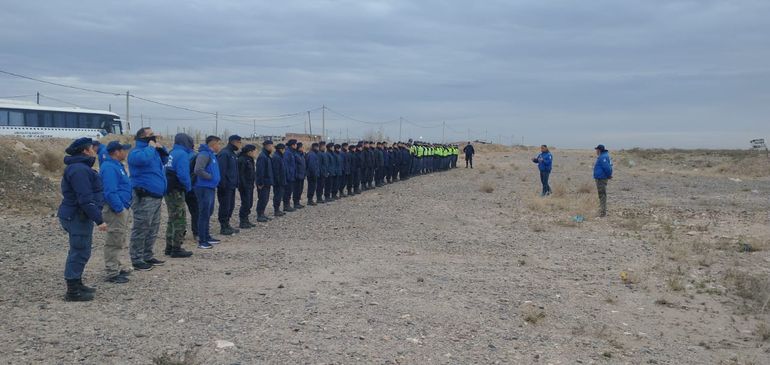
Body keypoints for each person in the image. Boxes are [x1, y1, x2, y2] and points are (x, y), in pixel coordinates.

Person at [59, 137, 108, 301]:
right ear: (85, 151)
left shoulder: (80, 168)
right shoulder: (79, 170)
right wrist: (99, 220)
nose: (94, 151)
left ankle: (77, 283)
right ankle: (72, 291)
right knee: (79, 251)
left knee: (80, 250)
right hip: (77, 216)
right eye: (92, 148)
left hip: (79, 215)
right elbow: (85, 199)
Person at [128, 127, 168, 271]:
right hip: (144, 196)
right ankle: (136, 258)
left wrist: (161, 149)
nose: (154, 136)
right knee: (141, 227)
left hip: (156, 196)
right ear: (142, 137)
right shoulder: (136, 152)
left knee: (153, 227)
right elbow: (142, 160)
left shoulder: (153, 151)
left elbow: (164, 160)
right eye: (150, 135)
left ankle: (147, 255)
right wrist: (151, 148)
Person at [100, 141, 133, 284]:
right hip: (115, 210)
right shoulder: (109, 168)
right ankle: (112, 272)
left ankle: (116, 266)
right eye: (124, 150)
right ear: (117, 152)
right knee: (114, 239)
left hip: (121, 207)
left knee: (119, 238)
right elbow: (110, 191)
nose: (126, 153)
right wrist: (119, 208)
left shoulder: (116, 166)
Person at [164, 133, 195, 258]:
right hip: (177, 190)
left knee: (172, 218)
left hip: (168, 189)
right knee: (180, 219)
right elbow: (183, 174)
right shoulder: (182, 154)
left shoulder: (171, 152)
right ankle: (176, 248)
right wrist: (188, 187)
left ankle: (169, 246)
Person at [193, 136, 222, 249]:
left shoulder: (211, 155)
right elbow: (198, 169)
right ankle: (202, 240)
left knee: (208, 212)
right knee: (204, 213)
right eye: (218, 144)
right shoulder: (204, 154)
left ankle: (207, 236)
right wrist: (210, 177)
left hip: (210, 187)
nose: (219, 146)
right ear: (213, 144)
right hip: (203, 187)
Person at [217, 135, 241, 235]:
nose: (240, 144)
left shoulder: (232, 154)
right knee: (225, 206)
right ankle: (223, 227)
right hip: (225, 186)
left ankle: (227, 224)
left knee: (230, 206)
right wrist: (222, 185)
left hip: (231, 186)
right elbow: (222, 171)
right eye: (239, 142)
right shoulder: (224, 153)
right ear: (233, 142)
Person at [237, 144, 258, 229]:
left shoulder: (250, 159)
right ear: (250, 152)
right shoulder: (242, 159)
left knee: (249, 203)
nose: (255, 153)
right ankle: (242, 221)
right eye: (254, 151)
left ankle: (246, 220)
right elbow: (241, 174)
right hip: (244, 186)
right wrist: (244, 185)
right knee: (245, 203)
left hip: (250, 185)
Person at [255, 140, 274, 222]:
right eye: (270, 146)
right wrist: (260, 183)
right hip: (263, 182)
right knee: (262, 198)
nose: (272, 147)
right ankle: (259, 215)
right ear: (266, 146)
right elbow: (260, 171)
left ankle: (262, 213)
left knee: (265, 198)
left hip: (267, 181)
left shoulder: (267, 156)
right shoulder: (262, 157)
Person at [593, 144, 613, 217]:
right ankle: (602, 210)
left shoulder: (603, 157)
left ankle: (602, 212)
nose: (596, 151)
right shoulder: (604, 156)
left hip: (601, 179)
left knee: (602, 195)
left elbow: (607, 168)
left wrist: (609, 175)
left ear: (599, 150)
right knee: (601, 194)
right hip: (601, 178)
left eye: (597, 150)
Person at [272, 143, 288, 216]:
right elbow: (276, 171)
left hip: (281, 180)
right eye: (284, 149)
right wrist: (278, 181)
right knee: (277, 195)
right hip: (278, 181)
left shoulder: (280, 156)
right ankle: (276, 210)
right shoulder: (276, 157)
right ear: (281, 149)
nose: (284, 150)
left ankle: (277, 209)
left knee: (280, 195)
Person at [283, 139, 297, 212]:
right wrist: (288, 176)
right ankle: (286, 205)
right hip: (289, 176)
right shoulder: (288, 153)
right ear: (292, 145)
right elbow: (286, 166)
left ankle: (287, 205)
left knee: (289, 191)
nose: (296, 146)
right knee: (287, 191)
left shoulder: (291, 152)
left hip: (291, 175)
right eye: (295, 144)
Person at [292, 142, 307, 209]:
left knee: (300, 190)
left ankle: (298, 202)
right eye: (301, 147)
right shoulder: (295, 155)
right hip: (297, 176)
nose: (302, 148)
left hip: (302, 175)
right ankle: (295, 203)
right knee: (296, 190)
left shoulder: (302, 155)